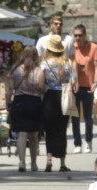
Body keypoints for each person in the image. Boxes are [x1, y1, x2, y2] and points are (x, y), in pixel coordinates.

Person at [40, 35, 76, 173]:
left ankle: (49, 160)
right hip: (64, 96)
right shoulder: (67, 64)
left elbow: (41, 84)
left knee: (49, 130)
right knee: (62, 130)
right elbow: (74, 80)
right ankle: (62, 162)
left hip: (50, 97)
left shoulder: (44, 64)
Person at [7, 46, 45, 172]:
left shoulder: (15, 70)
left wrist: (8, 104)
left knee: (21, 134)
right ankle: (33, 163)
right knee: (34, 135)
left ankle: (22, 162)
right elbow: (41, 87)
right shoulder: (39, 70)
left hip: (19, 102)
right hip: (34, 102)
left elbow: (10, 89)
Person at [71, 24, 97, 154]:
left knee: (88, 117)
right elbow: (69, 64)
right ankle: (77, 143)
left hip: (88, 85)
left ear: (85, 35)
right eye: (75, 35)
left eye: (80, 35)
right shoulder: (73, 47)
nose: (77, 38)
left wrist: (96, 82)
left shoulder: (93, 47)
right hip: (75, 86)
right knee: (75, 117)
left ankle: (88, 142)